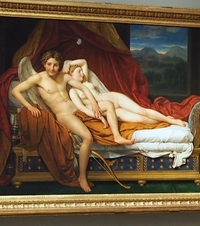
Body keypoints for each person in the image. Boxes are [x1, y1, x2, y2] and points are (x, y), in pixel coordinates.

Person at [11, 50, 97, 192]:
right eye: (49, 64)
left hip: (79, 110)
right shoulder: (38, 78)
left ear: (59, 65)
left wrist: (93, 103)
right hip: (65, 115)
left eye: (56, 65)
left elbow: (82, 87)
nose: (52, 68)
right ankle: (82, 177)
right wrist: (29, 107)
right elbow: (16, 92)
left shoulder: (64, 77)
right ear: (44, 64)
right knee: (88, 138)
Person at [65, 63, 186, 128]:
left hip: (114, 97)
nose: (82, 73)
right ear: (71, 75)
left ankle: (171, 121)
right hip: (109, 109)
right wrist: (99, 117)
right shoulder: (73, 91)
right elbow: (82, 108)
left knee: (141, 111)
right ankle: (164, 122)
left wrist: (69, 63)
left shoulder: (85, 81)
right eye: (78, 71)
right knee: (140, 119)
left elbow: (83, 62)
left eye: (81, 71)